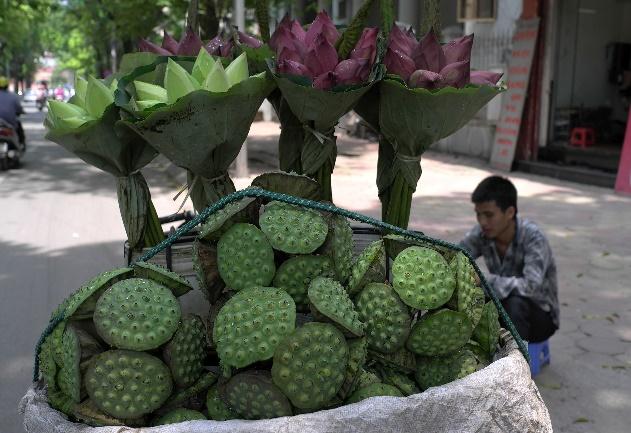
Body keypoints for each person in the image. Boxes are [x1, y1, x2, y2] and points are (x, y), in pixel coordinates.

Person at [459, 175, 559, 343]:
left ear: (510, 212)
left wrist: (482, 280)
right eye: (478, 215)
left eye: (489, 215)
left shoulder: (534, 237)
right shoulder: (482, 233)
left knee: (515, 304)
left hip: (540, 315)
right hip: (502, 304)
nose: (483, 222)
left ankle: (516, 365)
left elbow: (531, 287)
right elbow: (457, 255)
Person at [0, 75, 25, 145]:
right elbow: (19, 109)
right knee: (19, 126)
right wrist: (21, 112)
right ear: (7, 85)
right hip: (10, 124)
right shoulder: (13, 96)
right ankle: (21, 143)